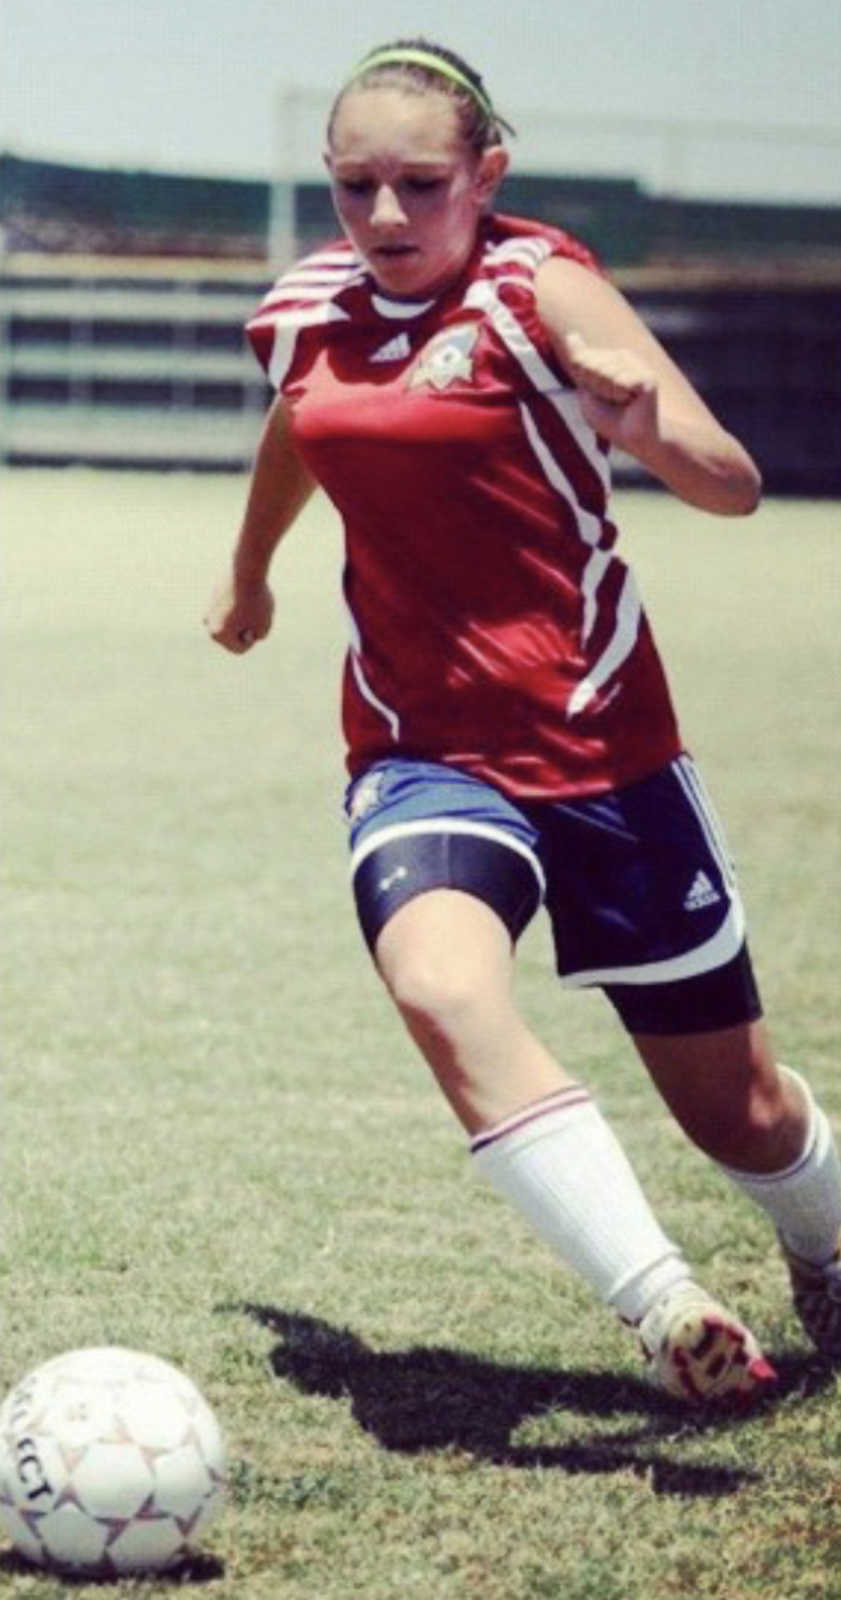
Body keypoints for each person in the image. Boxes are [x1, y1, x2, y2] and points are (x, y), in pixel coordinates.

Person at [206, 38, 841, 1402]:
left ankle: (825, 1246)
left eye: (418, 185)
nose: (383, 217)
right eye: (353, 185)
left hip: (604, 750)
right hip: (418, 749)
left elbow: (729, 484)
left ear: (483, 173)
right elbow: (296, 427)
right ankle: (662, 1307)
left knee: (738, 1114)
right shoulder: (301, 308)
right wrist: (251, 569)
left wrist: (648, 430)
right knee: (440, 986)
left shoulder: (541, 286)